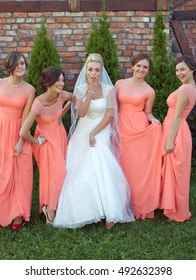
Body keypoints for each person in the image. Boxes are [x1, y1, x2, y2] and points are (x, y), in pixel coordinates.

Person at [53, 53, 135, 229]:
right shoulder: (81, 89)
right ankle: (86, 210)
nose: (94, 73)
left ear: (102, 70)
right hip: (83, 130)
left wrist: (95, 133)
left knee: (100, 160)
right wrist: (89, 92)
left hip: (101, 130)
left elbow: (110, 114)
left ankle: (110, 212)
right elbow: (81, 113)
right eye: (90, 70)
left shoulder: (109, 89)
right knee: (81, 168)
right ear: (86, 70)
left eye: (97, 70)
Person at [0, 51, 35, 232]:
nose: (21, 67)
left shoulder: (29, 89)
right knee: (0, 171)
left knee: (20, 173)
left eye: (23, 63)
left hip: (18, 132)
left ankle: (19, 213)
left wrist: (22, 140)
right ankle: (1, 207)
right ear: (10, 66)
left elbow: (27, 116)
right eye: (18, 64)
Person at [19, 67, 72, 225]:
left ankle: (50, 207)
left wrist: (61, 115)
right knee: (58, 173)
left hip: (60, 135)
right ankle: (50, 211)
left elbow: (74, 99)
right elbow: (23, 131)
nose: (61, 83)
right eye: (58, 80)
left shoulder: (62, 95)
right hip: (45, 140)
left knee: (55, 174)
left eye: (63, 80)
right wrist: (37, 141)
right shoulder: (38, 103)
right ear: (47, 82)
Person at [115, 52, 162, 220]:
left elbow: (147, 112)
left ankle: (139, 204)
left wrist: (154, 120)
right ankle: (120, 203)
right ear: (132, 66)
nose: (141, 69)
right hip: (122, 126)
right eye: (139, 66)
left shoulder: (149, 91)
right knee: (121, 165)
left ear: (148, 71)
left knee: (136, 168)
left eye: (145, 67)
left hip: (139, 128)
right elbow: (113, 108)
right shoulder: (119, 84)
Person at [160, 55, 196, 222]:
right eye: (177, 70)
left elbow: (177, 117)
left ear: (192, 69)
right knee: (174, 171)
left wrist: (170, 140)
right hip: (174, 129)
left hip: (176, 132)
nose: (179, 73)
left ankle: (177, 212)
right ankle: (171, 207)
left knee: (176, 172)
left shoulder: (185, 90)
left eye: (183, 69)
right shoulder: (189, 86)